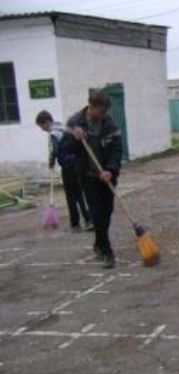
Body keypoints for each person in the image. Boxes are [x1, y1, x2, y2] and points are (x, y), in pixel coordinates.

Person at [64, 90, 122, 269]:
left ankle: (98, 242)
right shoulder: (75, 123)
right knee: (97, 213)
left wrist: (111, 170)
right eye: (101, 111)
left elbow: (117, 149)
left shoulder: (109, 124)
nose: (103, 115)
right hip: (88, 176)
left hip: (107, 176)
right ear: (91, 106)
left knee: (107, 212)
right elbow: (67, 149)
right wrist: (75, 139)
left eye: (105, 112)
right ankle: (107, 251)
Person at [35, 110, 92, 233]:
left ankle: (75, 225)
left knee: (70, 196)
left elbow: (54, 150)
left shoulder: (53, 133)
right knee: (79, 194)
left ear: (46, 122)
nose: (42, 129)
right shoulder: (63, 127)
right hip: (77, 163)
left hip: (67, 166)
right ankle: (89, 220)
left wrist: (51, 161)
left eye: (41, 126)